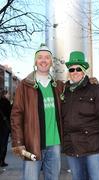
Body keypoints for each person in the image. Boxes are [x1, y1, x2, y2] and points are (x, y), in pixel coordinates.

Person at [10, 45, 64, 180]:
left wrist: (91, 82)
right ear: (35, 61)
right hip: (31, 143)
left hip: (54, 144)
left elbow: (76, 89)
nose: (43, 60)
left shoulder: (58, 85)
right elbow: (16, 115)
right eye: (40, 57)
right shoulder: (25, 85)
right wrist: (18, 142)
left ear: (51, 62)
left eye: (47, 57)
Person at [61, 51, 99, 180]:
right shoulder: (65, 91)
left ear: (84, 70)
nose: (75, 71)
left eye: (78, 68)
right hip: (72, 148)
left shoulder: (96, 90)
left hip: (94, 148)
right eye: (72, 69)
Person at [0, 90, 11, 167]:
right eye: (8, 94)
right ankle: (2, 161)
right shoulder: (7, 103)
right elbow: (10, 114)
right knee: (4, 144)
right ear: (5, 95)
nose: (9, 95)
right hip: (4, 126)